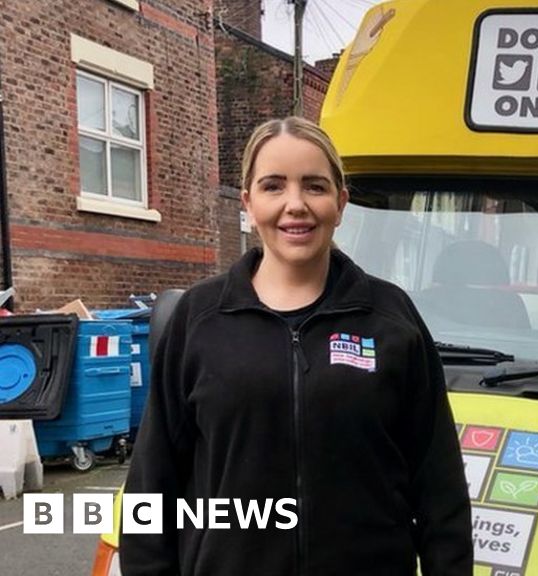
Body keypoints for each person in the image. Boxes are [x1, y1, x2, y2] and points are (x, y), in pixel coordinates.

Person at [121, 117, 472, 575]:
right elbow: (152, 485)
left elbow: (439, 488)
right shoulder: (200, 319)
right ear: (248, 203)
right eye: (273, 186)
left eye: (314, 186)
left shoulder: (391, 319)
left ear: (341, 202)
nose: (295, 205)